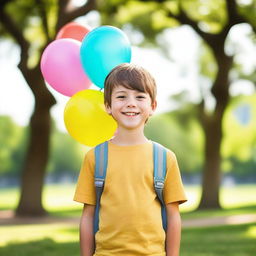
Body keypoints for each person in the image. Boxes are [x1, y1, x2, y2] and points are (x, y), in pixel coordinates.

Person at [74, 63, 187, 256]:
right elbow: (88, 216)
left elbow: (173, 215)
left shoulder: (164, 158)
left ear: (152, 106)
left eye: (140, 96)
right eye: (121, 96)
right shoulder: (95, 157)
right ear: (108, 106)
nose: (131, 103)